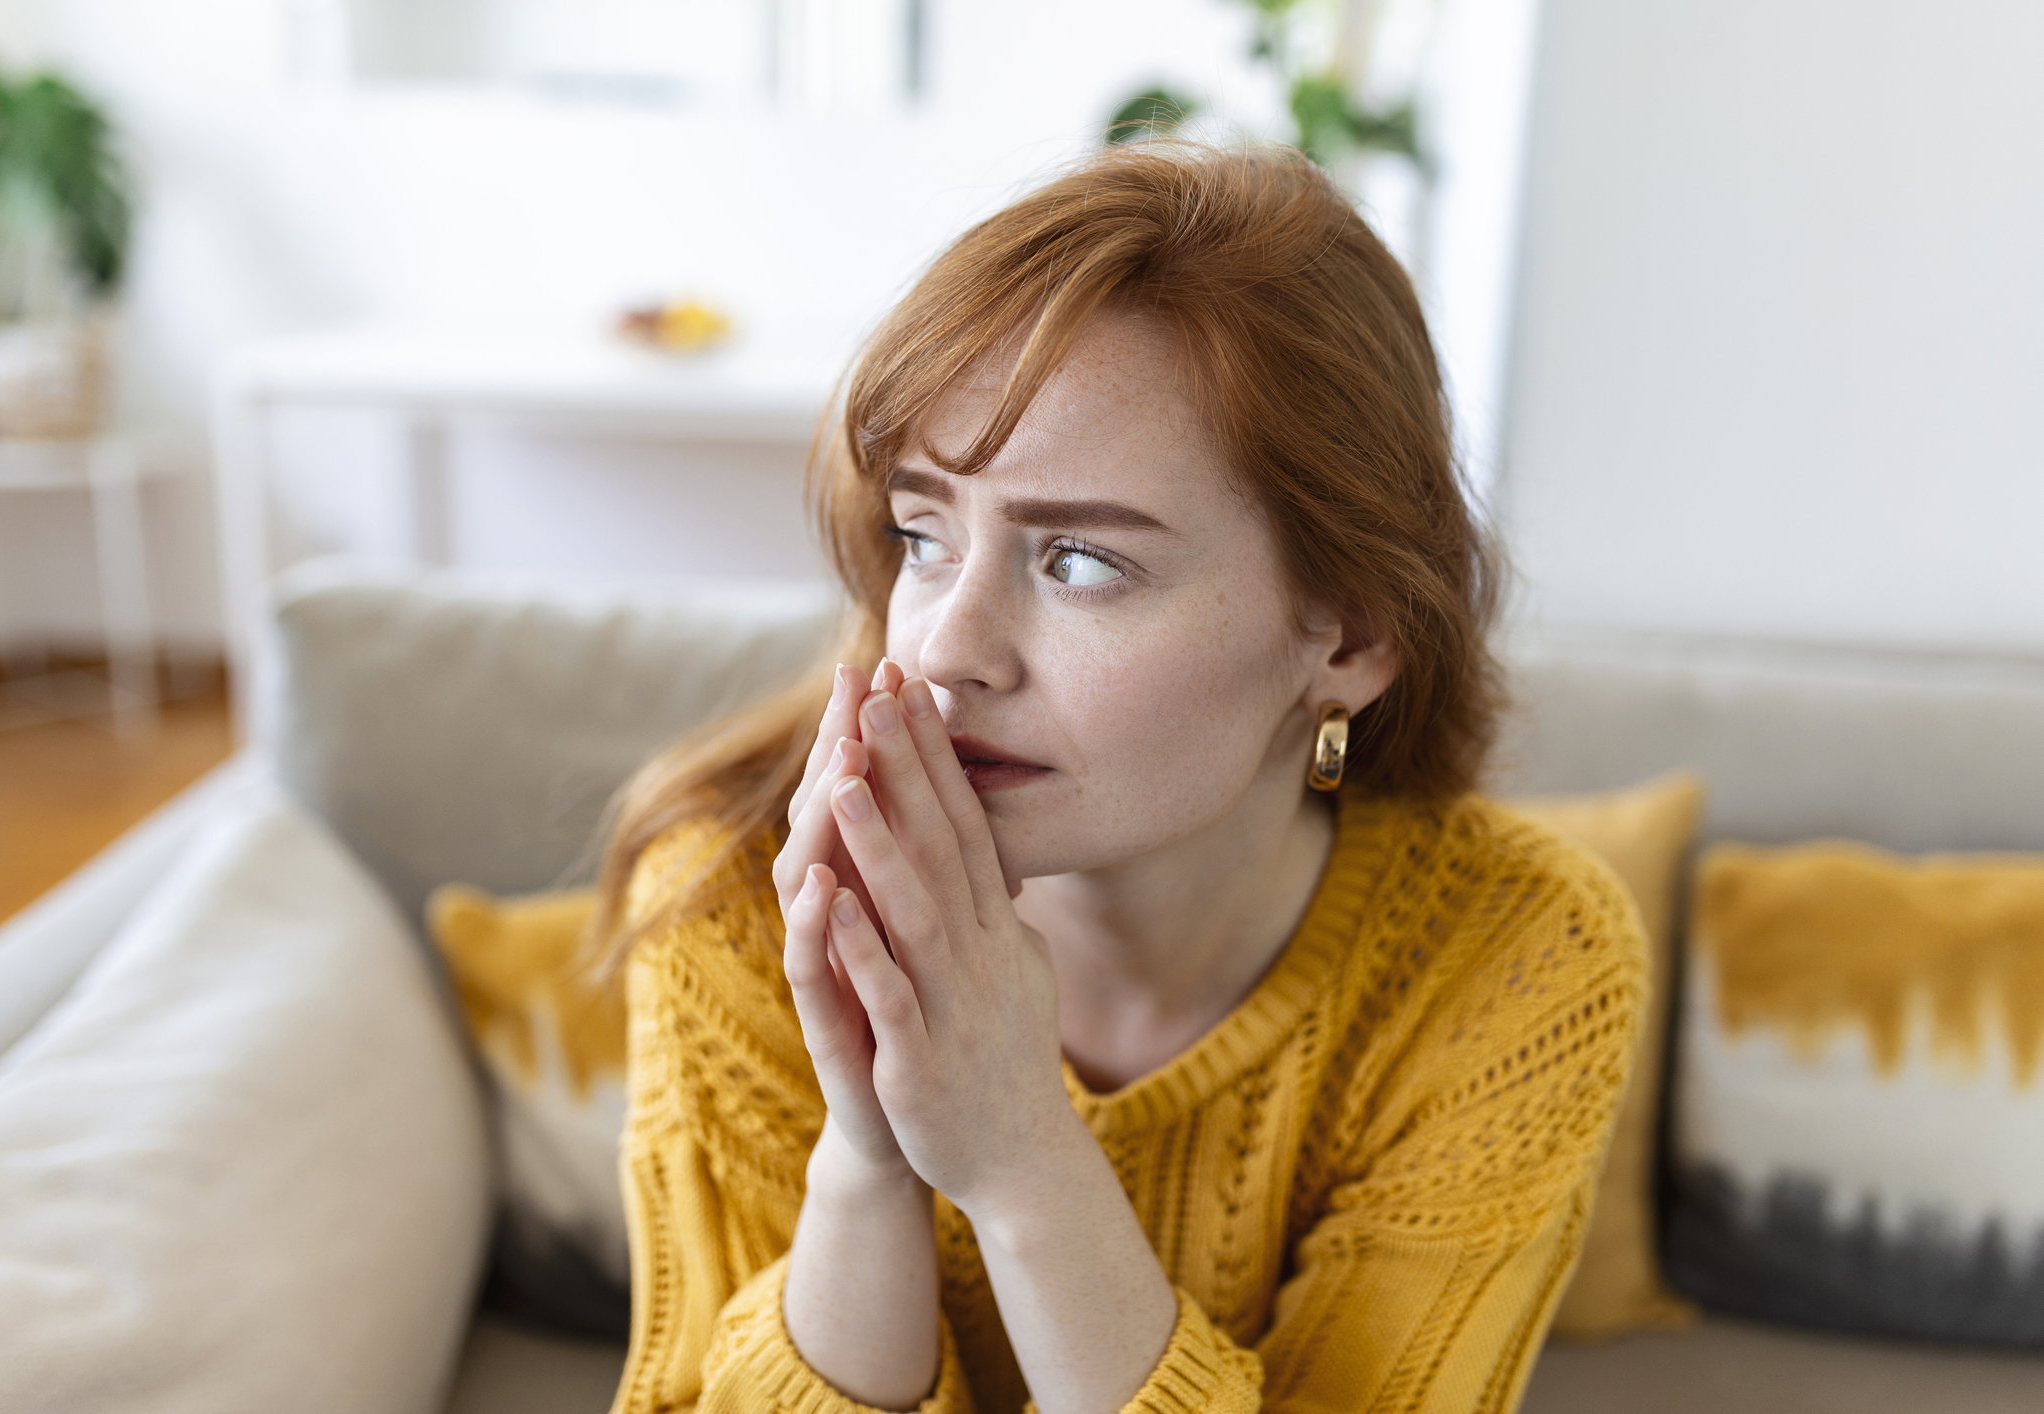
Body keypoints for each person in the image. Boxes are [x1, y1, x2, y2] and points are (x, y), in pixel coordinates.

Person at [581, 135, 1651, 1413]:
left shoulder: (1515, 959)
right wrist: (869, 1160)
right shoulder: (735, 905)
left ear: (1352, 635)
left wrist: (1022, 1154)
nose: (941, 647)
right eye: (925, 533)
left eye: (1081, 560)